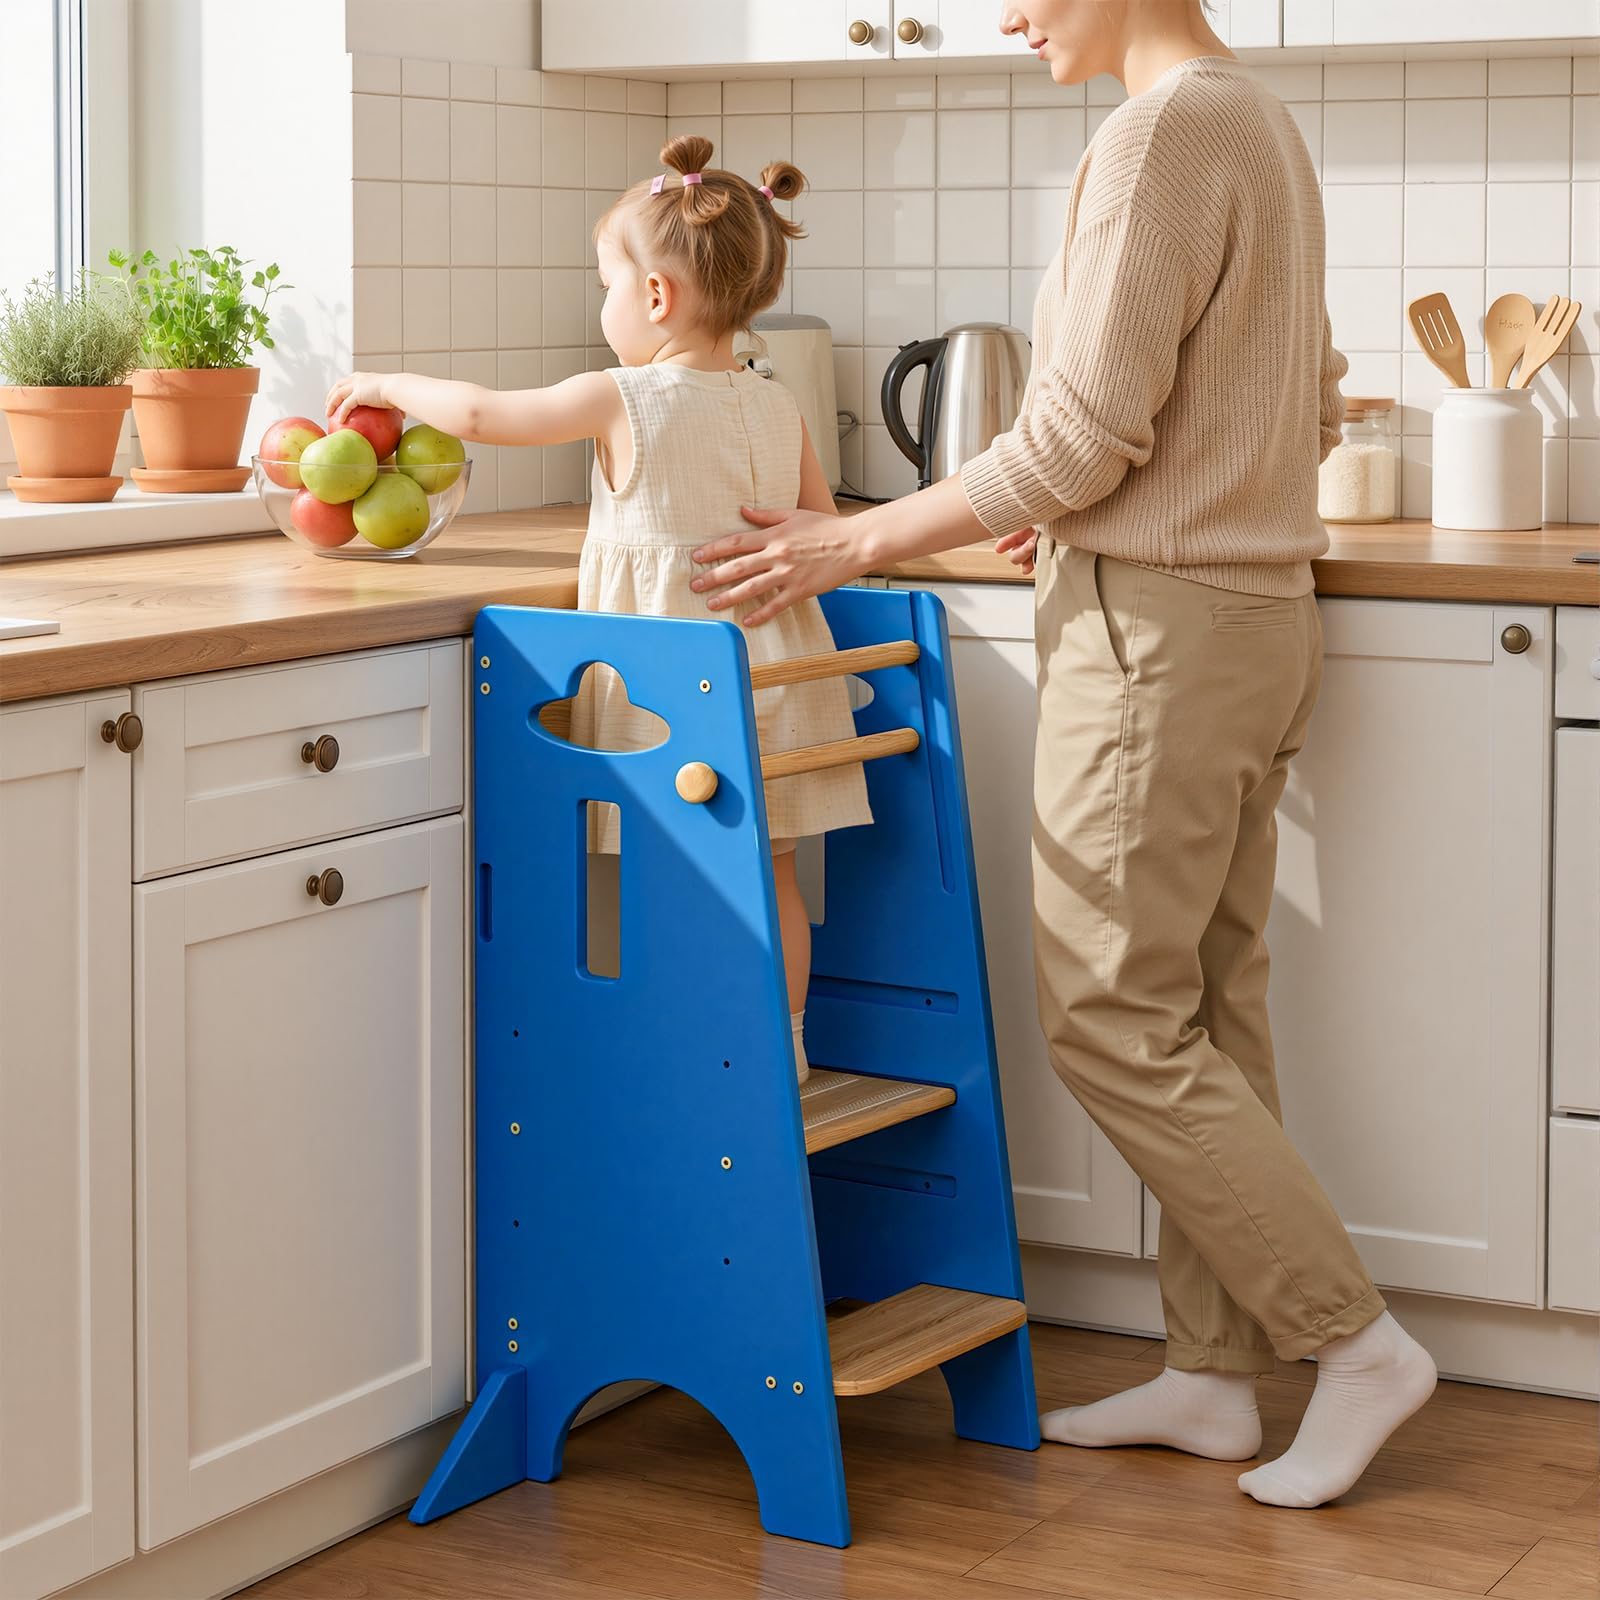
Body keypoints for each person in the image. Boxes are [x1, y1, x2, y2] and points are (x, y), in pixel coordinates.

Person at [687, 0, 1437, 1510]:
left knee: (1109, 1012)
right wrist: (1080, 496)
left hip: (1158, 628)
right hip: (1249, 613)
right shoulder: (1254, 121)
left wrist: (857, 538)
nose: (1011, 15)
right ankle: (1216, 1375)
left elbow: (1080, 428)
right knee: (1205, 1007)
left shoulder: (1159, 134)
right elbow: (1300, 391)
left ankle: (1353, 1344)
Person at [327, 135, 871, 1085]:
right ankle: (776, 1051)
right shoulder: (776, 403)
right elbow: (822, 532)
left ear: (655, 298)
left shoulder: (622, 395)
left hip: (668, 693)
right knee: (772, 874)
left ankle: (679, 1056)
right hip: (773, 676)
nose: (604, 305)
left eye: (606, 284)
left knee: (662, 880)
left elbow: (488, 416)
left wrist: (383, 386)